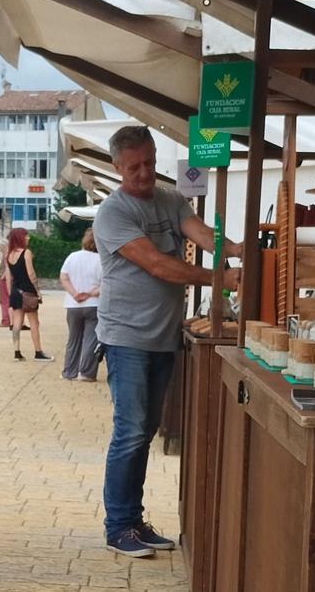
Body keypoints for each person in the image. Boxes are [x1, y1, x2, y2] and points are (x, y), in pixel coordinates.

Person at [93, 124, 242, 557]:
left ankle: (134, 521)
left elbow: (204, 236)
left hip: (161, 335)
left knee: (146, 430)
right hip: (126, 336)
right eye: (134, 167)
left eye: (150, 163)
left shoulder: (172, 199)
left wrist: (238, 249)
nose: (144, 173)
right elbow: (158, 265)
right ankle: (118, 526)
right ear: (118, 167)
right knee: (130, 430)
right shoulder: (113, 214)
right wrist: (222, 278)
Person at [58, 228, 103, 381]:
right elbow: (106, 285)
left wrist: (74, 293)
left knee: (73, 339)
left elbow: (63, 277)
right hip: (94, 304)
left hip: (73, 305)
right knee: (91, 339)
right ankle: (86, 373)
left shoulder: (72, 257)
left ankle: (69, 371)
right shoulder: (102, 260)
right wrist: (90, 294)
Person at [2, 226, 48, 360]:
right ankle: (38, 352)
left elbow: (8, 276)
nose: (28, 238)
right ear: (20, 238)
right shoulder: (26, 252)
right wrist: (37, 290)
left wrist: (11, 293)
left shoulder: (8, 254)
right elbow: (31, 273)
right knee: (34, 322)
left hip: (16, 291)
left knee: (17, 323)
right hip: (28, 291)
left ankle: (17, 352)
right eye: (26, 235)